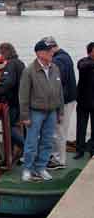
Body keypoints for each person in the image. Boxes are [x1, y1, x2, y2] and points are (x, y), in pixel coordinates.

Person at [19, 40, 64, 181]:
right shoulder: (29, 71)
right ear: (39, 53)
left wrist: (60, 111)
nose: (52, 52)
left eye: (52, 50)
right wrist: (25, 116)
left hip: (51, 112)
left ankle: (41, 168)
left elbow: (59, 91)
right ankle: (27, 169)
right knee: (31, 142)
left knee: (47, 141)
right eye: (49, 50)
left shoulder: (55, 68)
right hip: (35, 112)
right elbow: (23, 95)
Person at [40, 37, 77, 169]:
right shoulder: (64, 56)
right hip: (68, 99)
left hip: (64, 101)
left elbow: (57, 84)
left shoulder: (59, 60)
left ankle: (59, 160)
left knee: (59, 131)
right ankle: (56, 156)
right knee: (59, 130)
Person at [0, 43, 25, 161]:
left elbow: (8, 83)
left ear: (5, 53)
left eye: (1, 54)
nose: (1, 57)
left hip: (12, 102)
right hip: (20, 100)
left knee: (9, 128)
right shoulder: (19, 63)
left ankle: (27, 147)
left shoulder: (10, 64)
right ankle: (10, 155)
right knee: (13, 126)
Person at [74, 42, 94, 159]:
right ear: (90, 52)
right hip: (83, 101)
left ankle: (92, 150)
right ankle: (79, 150)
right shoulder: (83, 62)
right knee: (81, 127)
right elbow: (82, 66)